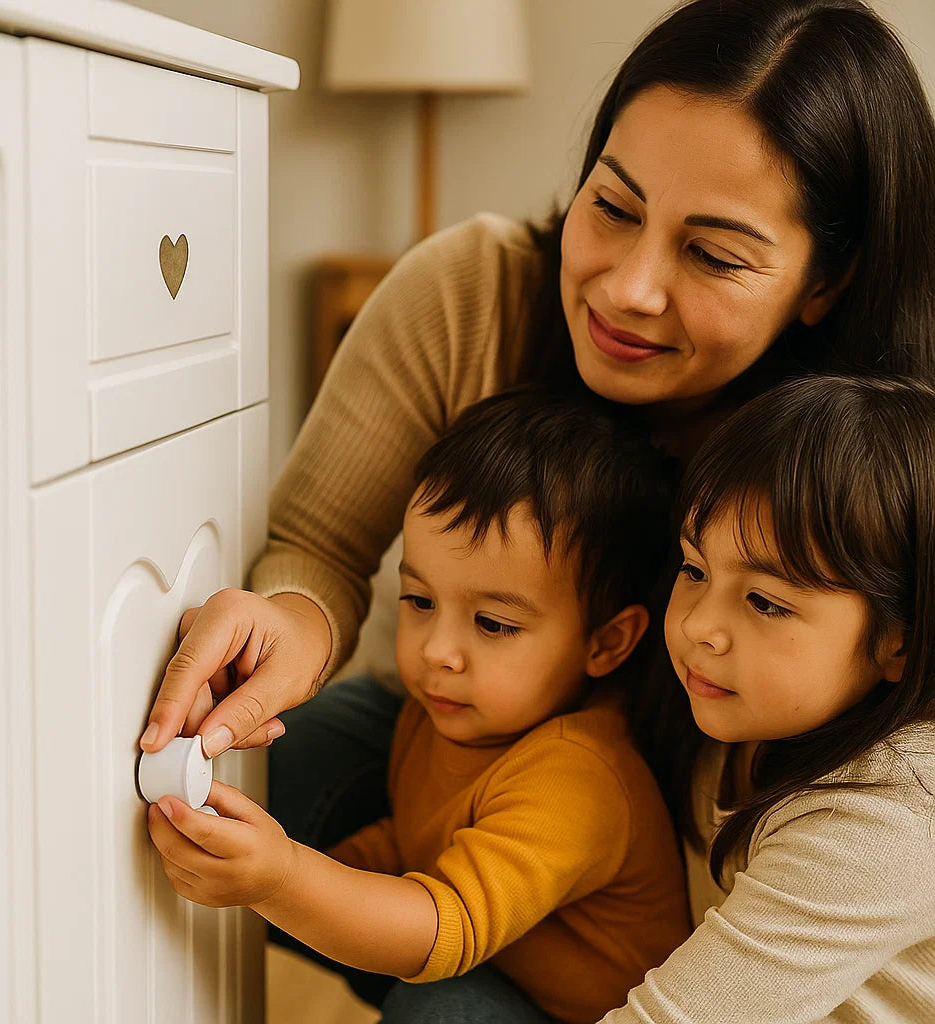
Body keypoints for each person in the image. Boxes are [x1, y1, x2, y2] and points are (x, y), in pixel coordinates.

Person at [140, 0, 935, 1015]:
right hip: (483, 773)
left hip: (671, 910)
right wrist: (286, 628)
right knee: (270, 763)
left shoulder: (871, 473)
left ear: (827, 280)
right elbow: (317, 543)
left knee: (444, 1002)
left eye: (712, 255)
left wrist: (305, 885)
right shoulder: (472, 293)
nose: (629, 287)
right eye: (614, 206)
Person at [148, 389, 690, 1023]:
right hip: (498, 966)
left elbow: (445, 926)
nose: (437, 651)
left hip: (582, 1016)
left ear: (606, 642)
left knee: (440, 1009)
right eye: (421, 601)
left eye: (493, 624)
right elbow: (412, 839)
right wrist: (302, 875)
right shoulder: (445, 710)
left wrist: (284, 878)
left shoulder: (578, 779)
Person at [596, 373, 935, 1021]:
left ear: (901, 640)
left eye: (766, 602)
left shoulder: (891, 820)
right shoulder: (732, 708)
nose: (699, 625)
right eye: (694, 569)